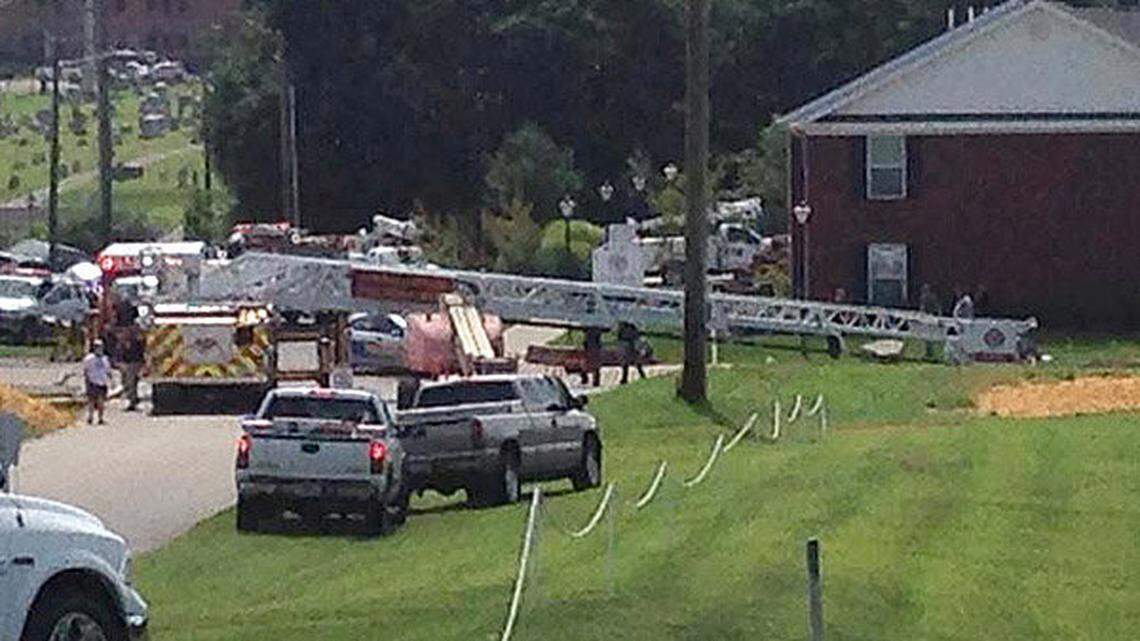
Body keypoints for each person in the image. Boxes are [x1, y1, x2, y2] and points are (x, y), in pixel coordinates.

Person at [83, 339, 112, 425]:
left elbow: (108, 371)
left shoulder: (105, 359)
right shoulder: (89, 359)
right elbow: (86, 370)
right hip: (93, 381)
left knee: (101, 401)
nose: (99, 348)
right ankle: (90, 417)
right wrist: (87, 381)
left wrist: (111, 380)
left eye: (100, 347)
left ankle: (100, 418)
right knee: (91, 401)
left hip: (102, 382)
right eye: (97, 347)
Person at [119, 327, 145, 411]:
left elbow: (140, 353)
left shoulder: (136, 343)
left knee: (131, 382)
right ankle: (132, 400)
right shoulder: (122, 343)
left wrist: (141, 364)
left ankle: (132, 401)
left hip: (134, 363)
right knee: (127, 382)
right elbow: (120, 353)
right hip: (126, 364)